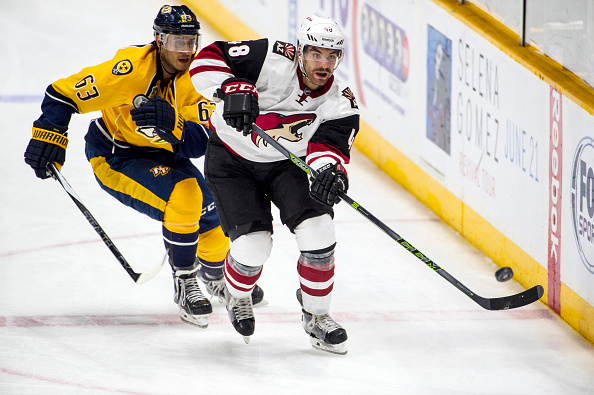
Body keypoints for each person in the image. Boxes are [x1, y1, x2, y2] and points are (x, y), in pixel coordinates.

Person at [23, 5, 263, 329]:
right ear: (159, 40)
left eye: (191, 42)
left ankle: (214, 274)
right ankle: (185, 282)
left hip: (165, 155)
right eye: (177, 42)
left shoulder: (197, 78)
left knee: (212, 209)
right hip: (117, 157)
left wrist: (176, 126)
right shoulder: (128, 71)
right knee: (187, 196)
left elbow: (205, 141)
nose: (186, 51)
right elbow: (63, 94)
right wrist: (49, 133)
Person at [189, 15, 359, 354]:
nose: (323, 64)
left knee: (319, 232)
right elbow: (206, 59)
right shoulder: (269, 57)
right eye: (315, 54)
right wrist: (231, 86)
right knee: (253, 247)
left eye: (331, 56)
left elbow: (329, 147)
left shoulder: (341, 100)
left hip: (288, 164)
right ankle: (237, 295)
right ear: (300, 51)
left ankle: (317, 316)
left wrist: (329, 172)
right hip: (232, 159)